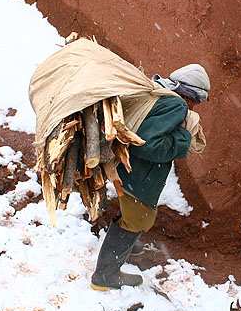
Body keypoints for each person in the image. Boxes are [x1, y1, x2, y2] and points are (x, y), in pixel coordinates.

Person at [90, 64, 210, 291]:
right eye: (196, 101)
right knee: (139, 218)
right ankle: (105, 276)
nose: (194, 107)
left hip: (127, 167)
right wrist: (184, 137)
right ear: (189, 94)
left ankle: (125, 244)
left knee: (132, 214)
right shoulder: (176, 105)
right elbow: (148, 144)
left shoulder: (158, 92)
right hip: (138, 173)